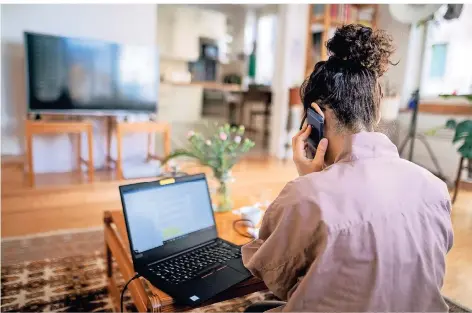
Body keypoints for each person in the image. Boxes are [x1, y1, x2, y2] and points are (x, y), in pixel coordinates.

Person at [241, 24, 454, 312]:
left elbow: (271, 272)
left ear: (315, 115)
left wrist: (312, 183)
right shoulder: (435, 188)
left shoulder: (305, 197)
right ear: (376, 110)